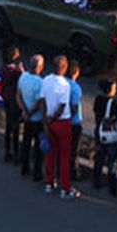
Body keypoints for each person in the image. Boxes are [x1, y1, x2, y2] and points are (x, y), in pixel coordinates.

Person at [41, 55, 79, 198]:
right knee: (64, 156)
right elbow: (63, 106)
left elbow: (43, 102)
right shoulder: (65, 85)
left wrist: (46, 122)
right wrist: (53, 119)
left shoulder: (46, 80)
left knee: (50, 154)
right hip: (62, 122)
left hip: (49, 121)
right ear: (65, 68)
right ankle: (65, 187)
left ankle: (49, 183)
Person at [18, 54, 45, 181]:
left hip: (27, 118)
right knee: (38, 147)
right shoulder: (40, 82)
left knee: (26, 143)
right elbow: (40, 102)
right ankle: (37, 173)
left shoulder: (23, 77)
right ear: (39, 67)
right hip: (37, 119)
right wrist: (31, 112)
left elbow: (18, 95)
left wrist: (24, 111)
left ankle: (24, 168)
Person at [92, 79, 117, 194]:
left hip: (99, 131)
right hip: (109, 135)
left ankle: (96, 181)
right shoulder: (113, 103)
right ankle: (112, 186)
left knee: (99, 158)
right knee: (111, 161)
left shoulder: (98, 99)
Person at [0, 46, 23, 163]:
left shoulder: (3, 69)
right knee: (16, 128)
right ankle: (16, 154)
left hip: (6, 99)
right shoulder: (16, 72)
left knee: (8, 127)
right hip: (15, 101)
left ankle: (7, 152)